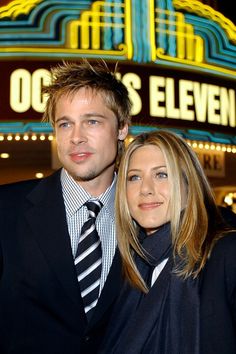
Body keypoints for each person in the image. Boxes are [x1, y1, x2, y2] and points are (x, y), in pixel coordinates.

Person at [0, 59, 131, 354]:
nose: (76, 137)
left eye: (92, 121)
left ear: (122, 127)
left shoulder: (145, 218)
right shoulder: (6, 210)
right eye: (65, 124)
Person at [99, 130, 236, 354]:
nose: (145, 189)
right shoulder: (128, 264)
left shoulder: (227, 254)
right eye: (134, 177)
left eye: (161, 174)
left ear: (188, 183)